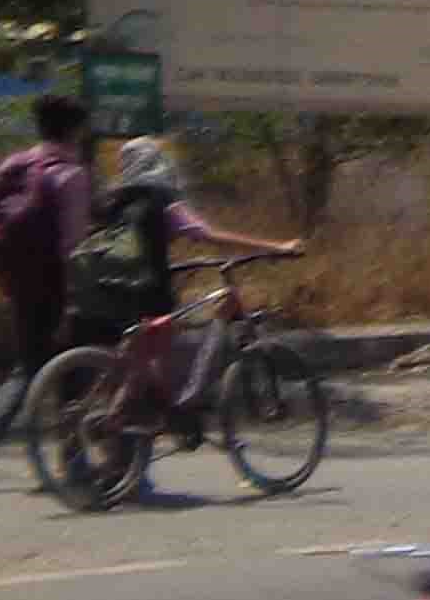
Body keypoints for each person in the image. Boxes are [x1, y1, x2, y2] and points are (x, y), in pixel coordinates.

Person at [72, 135, 305, 431]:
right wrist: (276, 246)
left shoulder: (115, 202)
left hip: (109, 291)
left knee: (146, 356)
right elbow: (204, 234)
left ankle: (140, 429)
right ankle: (150, 411)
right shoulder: (162, 200)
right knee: (164, 344)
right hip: (148, 291)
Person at [0, 93, 99, 492]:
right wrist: (76, 297)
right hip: (58, 283)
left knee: (27, 367)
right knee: (72, 371)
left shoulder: (15, 165)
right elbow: (74, 245)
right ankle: (74, 463)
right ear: (74, 129)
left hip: (21, 283)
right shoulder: (71, 175)